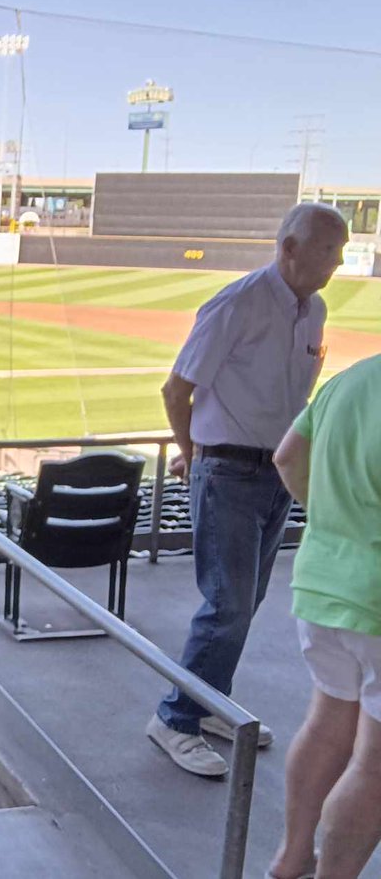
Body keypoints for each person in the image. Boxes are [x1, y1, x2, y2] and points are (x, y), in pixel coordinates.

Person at [146, 202, 350, 777]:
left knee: (245, 603)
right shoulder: (237, 303)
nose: (339, 260)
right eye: (330, 249)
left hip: (276, 471)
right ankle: (175, 719)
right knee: (227, 604)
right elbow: (175, 389)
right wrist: (192, 454)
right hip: (228, 472)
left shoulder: (315, 311)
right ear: (289, 247)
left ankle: (209, 701)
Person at [267, 353, 381, 879]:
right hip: (375, 602)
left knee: (329, 721)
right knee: (374, 765)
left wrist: (335, 523)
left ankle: (291, 861)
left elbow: (288, 458)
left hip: (322, 584)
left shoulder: (349, 380)